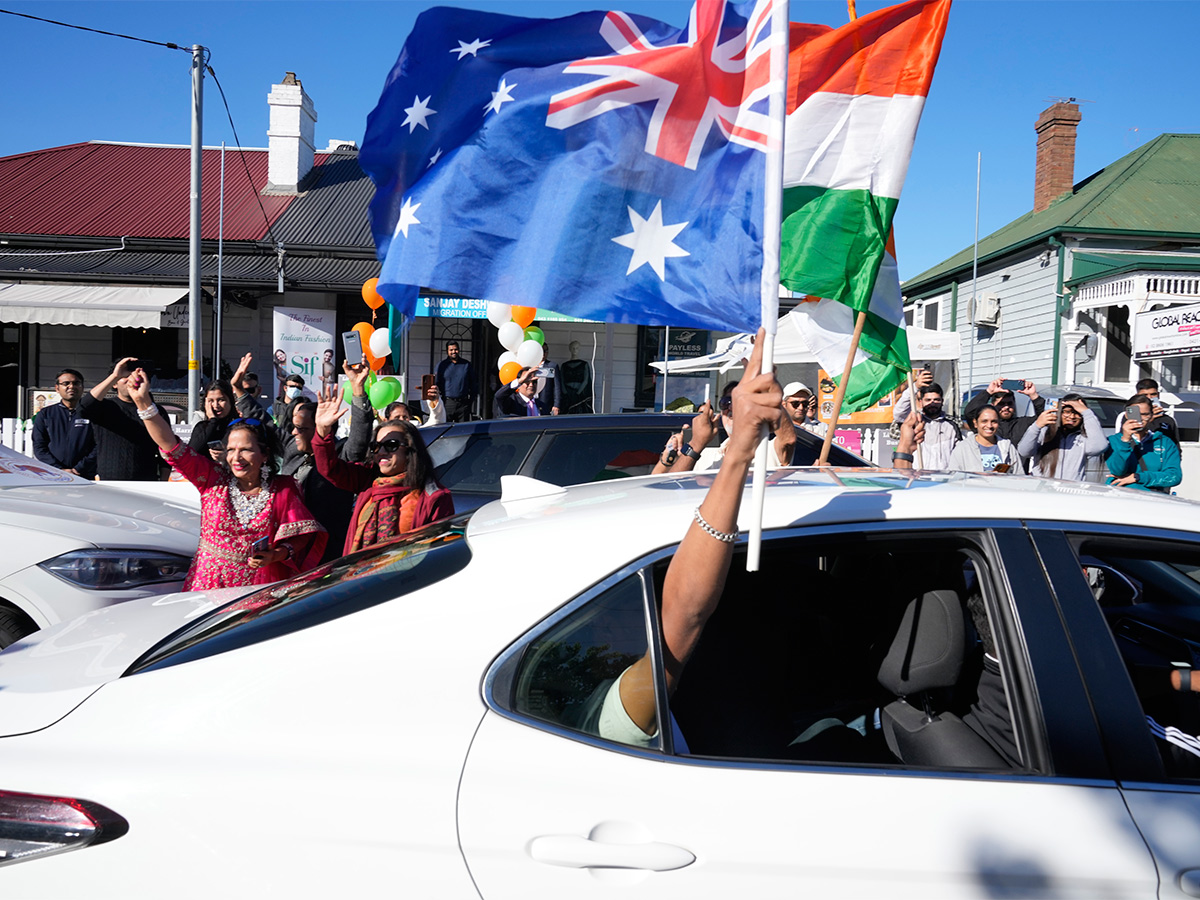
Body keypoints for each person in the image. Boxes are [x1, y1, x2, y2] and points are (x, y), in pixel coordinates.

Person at [599, 330, 781, 746]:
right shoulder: (620, 718)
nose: (633, 611)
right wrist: (737, 451)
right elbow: (682, 619)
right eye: (614, 610)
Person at [124, 367, 326, 590]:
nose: (236, 457)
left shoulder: (283, 489)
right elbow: (171, 445)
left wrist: (276, 555)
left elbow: (301, 535)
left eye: (246, 450)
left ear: (265, 454)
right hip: (208, 584)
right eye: (231, 449)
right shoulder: (212, 479)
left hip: (256, 589)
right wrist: (143, 403)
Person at [312, 388, 454, 555]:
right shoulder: (369, 480)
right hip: (360, 578)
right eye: (376, 447)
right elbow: (330, 468)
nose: (381, 452)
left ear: (410, 449)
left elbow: (438, 554)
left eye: (391, 445)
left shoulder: (433, 497)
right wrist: (322, 430)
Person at [280, 362, 375, 560]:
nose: (293, 432)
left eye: (302, 428)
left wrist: (358, 390)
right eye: (294, 426)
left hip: (326, 551)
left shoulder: (341, 453)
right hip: (288, 549)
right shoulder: (293, 449)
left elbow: (359, 436)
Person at [78, 357, 164, 481]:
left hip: (147, 482)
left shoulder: (154, 411)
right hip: (110, 481)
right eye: (125, 376)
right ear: (115, 384)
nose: (131, 379)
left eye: (135, 375)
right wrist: (115, 375)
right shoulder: (105, 407)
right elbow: (83, 408)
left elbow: (166, 449)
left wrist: (164, 481)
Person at [1018, 394, 1107, 481]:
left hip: (1072, 490)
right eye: (1067, 412)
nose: (1072, 417)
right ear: (1059, 412)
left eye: (1077, 413)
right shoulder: (1044, 432)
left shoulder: (1082, 438)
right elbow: (1024, 451)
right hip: (1043, 490)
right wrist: (1037, 426)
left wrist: (1087, 413)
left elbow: (1099, 447)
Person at [1106, 394, 1182, 493]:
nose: (1140, 419)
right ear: (1126, 415)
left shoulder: (1165, 442)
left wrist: (1138, 477)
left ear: (1151, 416)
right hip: (1121, 496)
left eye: (1145, 414)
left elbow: (1174, 476)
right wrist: (1125, 440)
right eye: (1136, 414)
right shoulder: (1114, 440)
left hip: (1152, 498)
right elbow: (1118, 470)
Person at [31, 368, 96, 478]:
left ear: (82, 387)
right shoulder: (45, 414)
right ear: (57, 388)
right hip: (52, 474)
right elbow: (39, 447)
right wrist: (58, 469)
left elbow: (98, 446)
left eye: (76, 383)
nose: (71, 386)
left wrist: (79, 468)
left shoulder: (93, 414)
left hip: (84, 475)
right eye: (66, 383)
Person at [890, 371, 961, 469]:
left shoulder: (951, 426)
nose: (932, 403)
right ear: (920, 402)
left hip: (943, 478)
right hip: (917, 476)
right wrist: (915, 387)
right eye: (928, 400)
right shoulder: (915, 422)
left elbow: (958, 454)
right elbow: (899, 413)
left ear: (942, 401)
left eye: (936, 400)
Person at [962, 378, 1045, 451]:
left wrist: (1033, 395)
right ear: (993, 405)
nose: (1006, 407)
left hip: (1018, 468)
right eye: (1001, 404)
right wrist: (989, 392)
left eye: (1009, 403)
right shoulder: (987, 426)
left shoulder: (1023, 423)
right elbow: (970, 413)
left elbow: (1045, 418)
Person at [948, 406, 1020, 474]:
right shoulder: (963, 448)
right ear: (975, 423)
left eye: (994, 421)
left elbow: (1019, 475)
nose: (989, 426)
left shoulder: (1007, 446)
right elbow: (954, 478)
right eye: (984, 421)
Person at [1114, 378, 1180, 447]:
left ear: (1158, 395)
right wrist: (1148, 419)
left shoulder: (1168, 419)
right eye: (1145, 395)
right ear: (1137, 396)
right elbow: (1122, 438)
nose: (1149, 398)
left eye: (1153, 394)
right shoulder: (1127, 415)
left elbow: (1175, 445)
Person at [436, 340, 475, 422]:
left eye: (456, 349)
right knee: (446, 430)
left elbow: (473, 383)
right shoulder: (442, 365)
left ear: (459, 350)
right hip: (447, 403)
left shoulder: (466, 364)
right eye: (451, 350)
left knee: (463, 430)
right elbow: (436, 383)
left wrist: (470, 401)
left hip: (463, 404)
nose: (454, 352)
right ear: (447, 351)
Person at [560, 340, 593, 414]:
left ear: (579, 349)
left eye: (576, 348)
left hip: (581, 396)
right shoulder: (564, 366)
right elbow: (561, 381)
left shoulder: (584, 364)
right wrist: (566, 393)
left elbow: (586, 380)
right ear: (570, 349)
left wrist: (578, 393)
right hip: (568, 395)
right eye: (573, 348)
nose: (575, 350)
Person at [534, 343, 563, 415]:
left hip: (545, 402)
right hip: (531, 401)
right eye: (542, 350)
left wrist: (556, 405)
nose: (544, 353)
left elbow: (557, 387)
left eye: (546, 351)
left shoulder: (552, 366)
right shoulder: (530, 364)